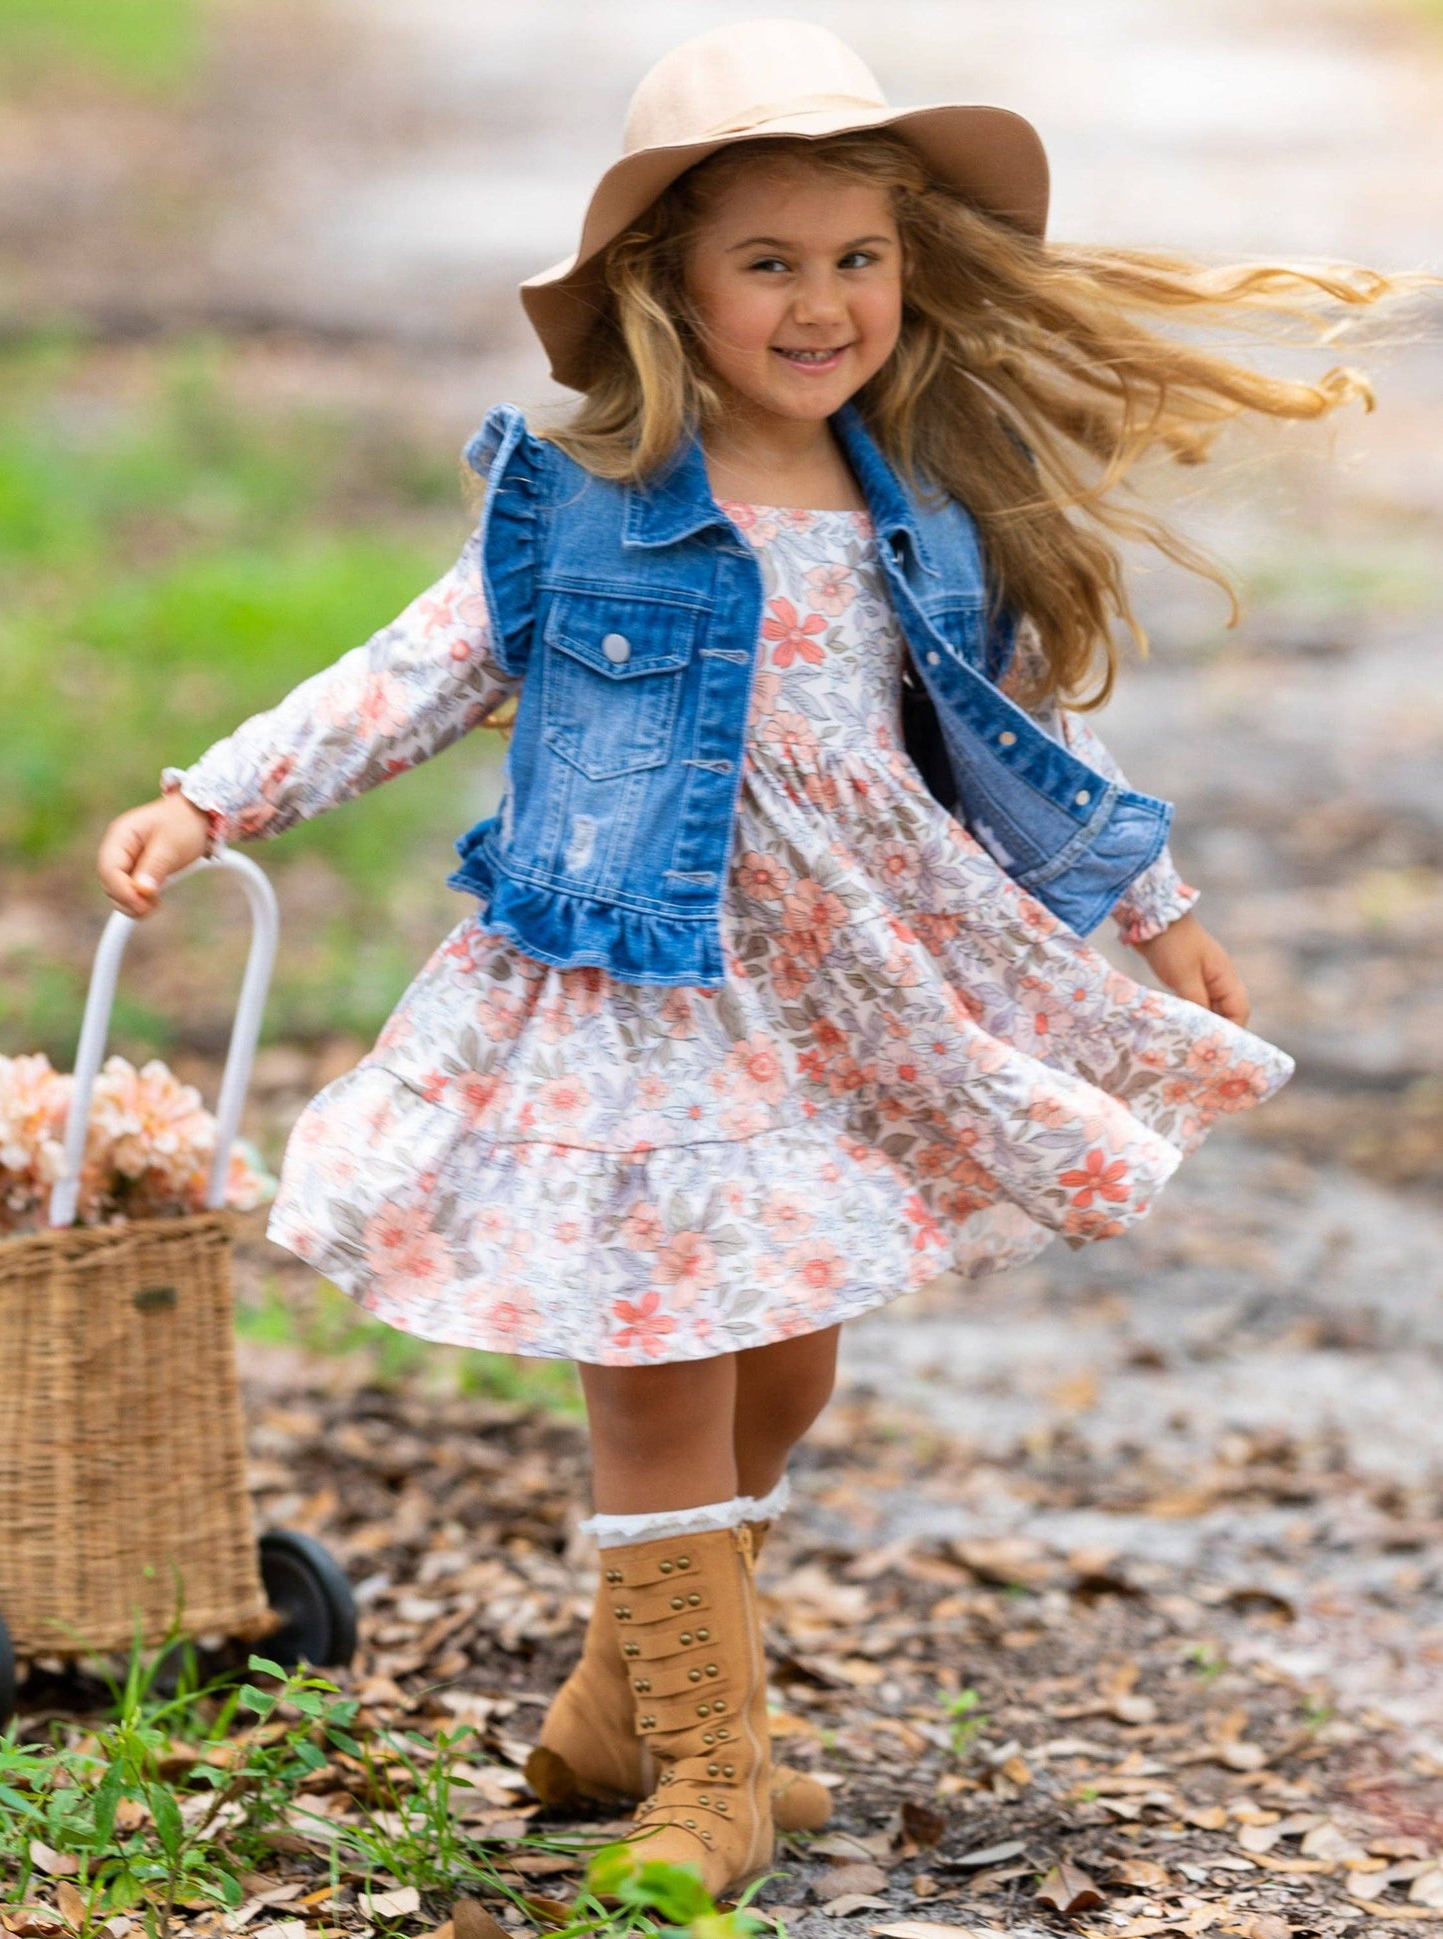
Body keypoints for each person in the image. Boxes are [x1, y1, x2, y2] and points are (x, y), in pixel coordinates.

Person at [96, 18, 1421, 1902]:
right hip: (632, 979)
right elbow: (403, 677)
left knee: (780, 1373)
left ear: (906, 271)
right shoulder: (580, 506)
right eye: (771, 263)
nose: (823, 303)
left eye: (858, 258)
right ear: (670, 285)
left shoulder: (919, 513)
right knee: (660, 1359)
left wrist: (1156, 903)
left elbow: (1023, 728)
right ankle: (711, 1775)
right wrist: (211, 802)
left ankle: (611, 1707)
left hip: (833, 997)